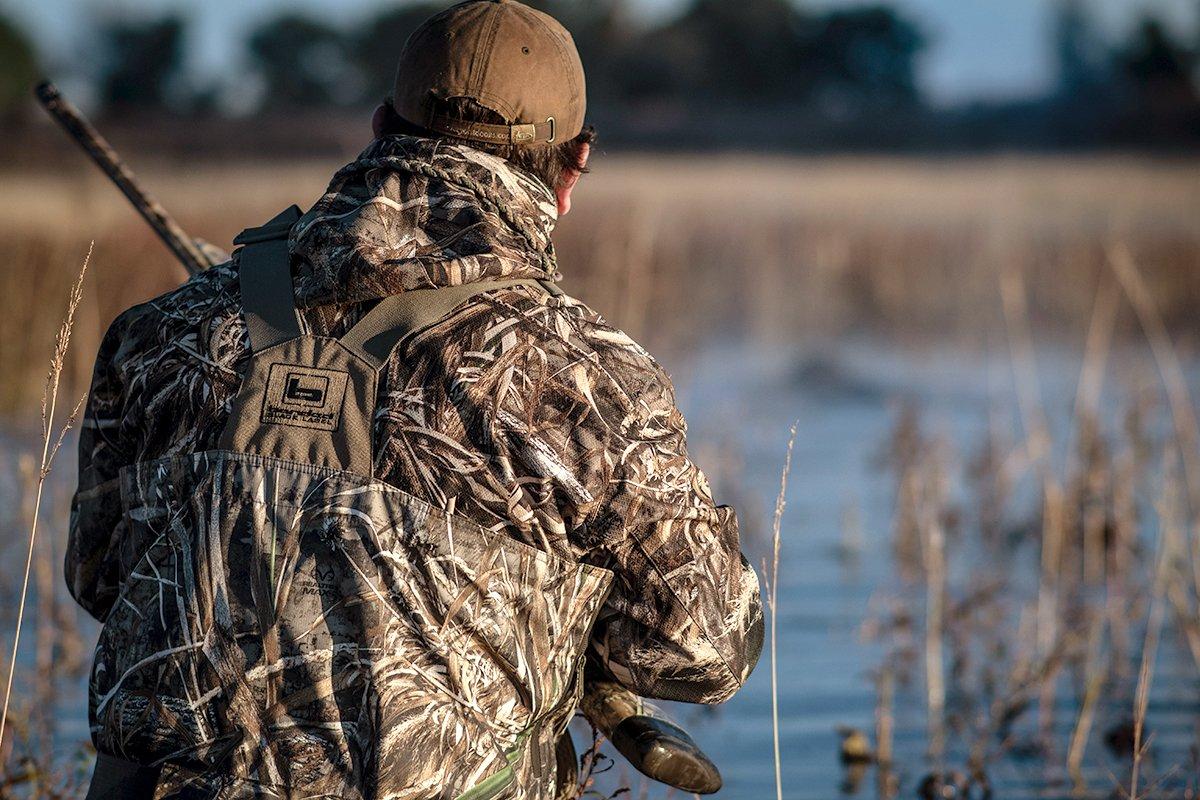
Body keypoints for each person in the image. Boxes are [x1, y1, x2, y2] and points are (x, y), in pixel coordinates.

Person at [66, 1, 763, 797]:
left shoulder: (160, 330)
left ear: (378, 127)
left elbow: (101, 579)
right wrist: (574, 631)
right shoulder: (589, 378)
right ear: (573, 167)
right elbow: (706, 651)